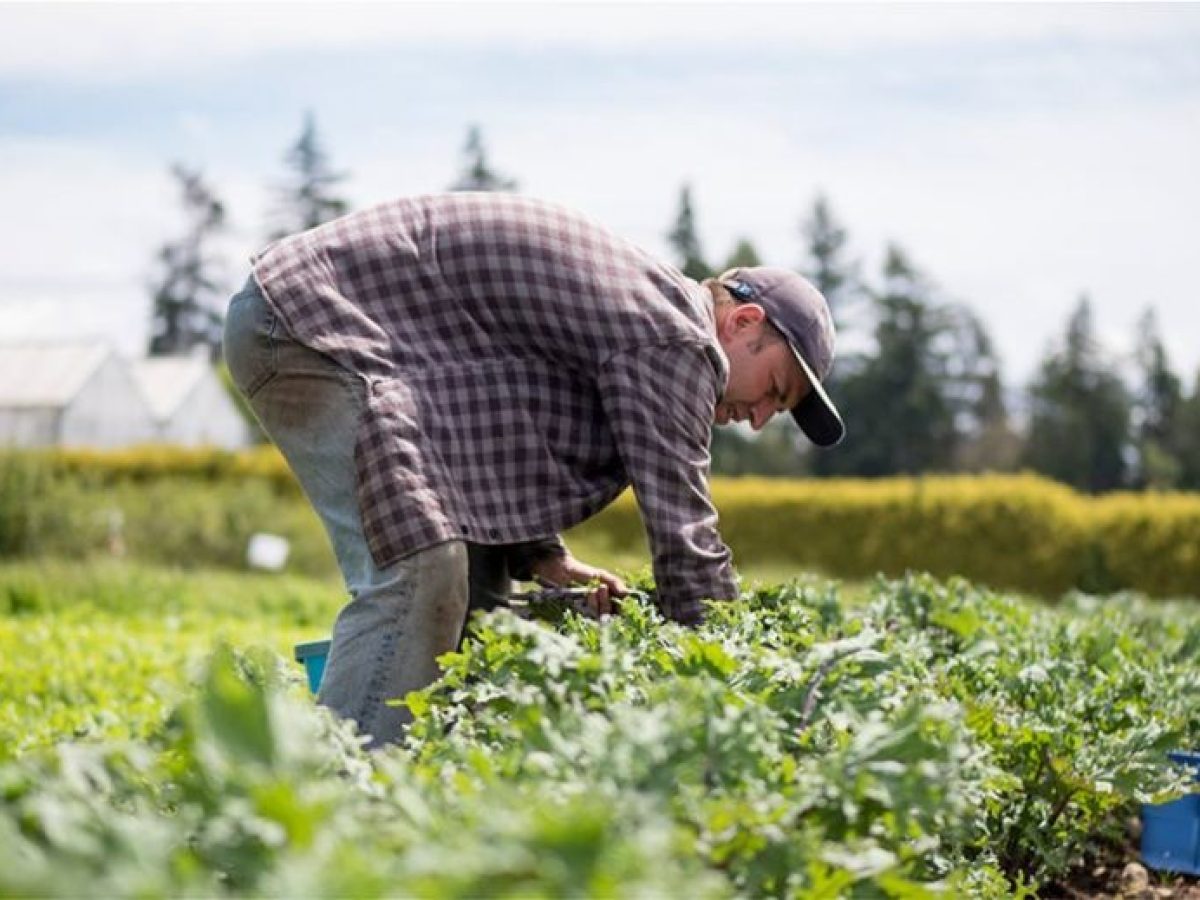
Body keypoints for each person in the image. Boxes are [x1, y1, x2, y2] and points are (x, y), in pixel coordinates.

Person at [222, 192, 843, 747]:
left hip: (331, 329)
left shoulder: (640, 318)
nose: (759, 418)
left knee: (484, 604)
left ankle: (432, 795)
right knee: (421, 570)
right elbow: (685, 540)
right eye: (775, 390)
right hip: (311, 323)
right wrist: (741, 675)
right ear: (743, 322)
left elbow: (494, 435)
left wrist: (544, 559)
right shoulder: (677, 339)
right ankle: (335, 814)